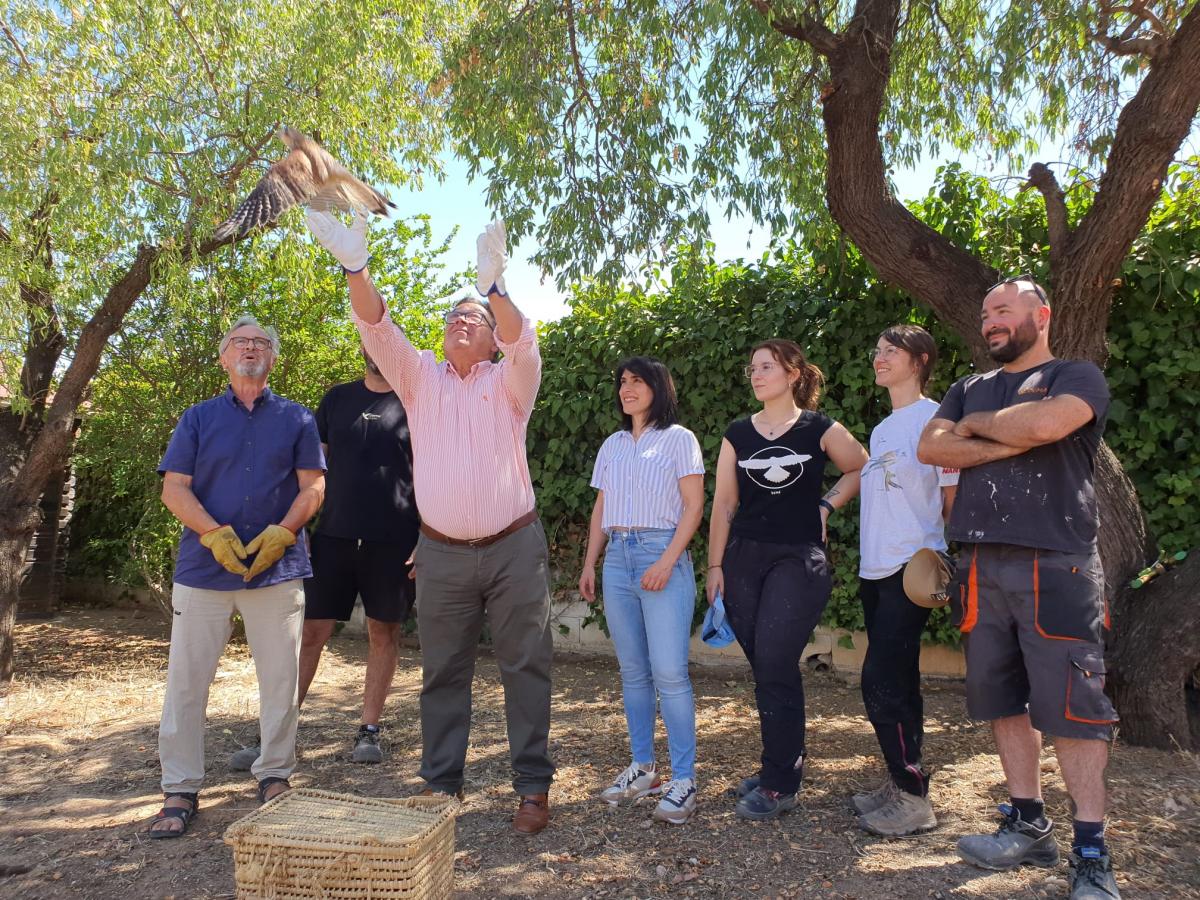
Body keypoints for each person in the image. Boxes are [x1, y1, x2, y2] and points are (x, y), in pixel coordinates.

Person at [306, 211, 556, 835]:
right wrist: (355, 266)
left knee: (525, 667)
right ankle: (442, 785)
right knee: (443, 670)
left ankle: (531, 787)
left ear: (491, 336)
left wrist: (495, 289)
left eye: (471, 318)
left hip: (513, 547)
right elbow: (376, 326)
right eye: (453, 316)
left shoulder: (512, 382)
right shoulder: (417, 379)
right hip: (441, 553)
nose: (457, 321)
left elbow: (524, 343)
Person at [917, 276, 1120, 900]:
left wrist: (978, 430)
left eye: (1003, 309)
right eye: (985, 314)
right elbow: (931, 445)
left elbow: (1048, 425)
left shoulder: (1077, 375)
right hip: (981, 564)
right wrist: (1013, 428)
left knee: (1073, 708)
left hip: (1056, 562)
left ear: (1042, 315)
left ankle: (1092, 851)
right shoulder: (968, 385)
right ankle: (1028, 822)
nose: (990, 322)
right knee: (1002, 700)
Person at [150, 316, 325, 838]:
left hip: (278, 569)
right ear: (224, 357)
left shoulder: (298, 419)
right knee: (187, 679)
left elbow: (313, 487)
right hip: (204, 569)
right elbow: (174, 489)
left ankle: (274, 775)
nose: (251, 349)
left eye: (261, 343)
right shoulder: (198, 418)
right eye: (240, 342)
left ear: (273, 358)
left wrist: (284, 532)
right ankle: (179, 788)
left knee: (280, 680)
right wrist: (211, 534)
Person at [229, 348, 419, 771]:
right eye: (371, 340)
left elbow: (430, 473)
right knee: (310, 633)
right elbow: (312, 472)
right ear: (364, 347)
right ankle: (275, 733)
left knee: (382, 632)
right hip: (331, 535)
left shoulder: (416, 401)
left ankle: (369, 730)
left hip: (394, 540)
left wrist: (425, 535)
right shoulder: (337, 399)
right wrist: (296, 527)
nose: (377, 348)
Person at [707, 339, 868, 821]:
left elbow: (860, 465)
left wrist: (827, 504)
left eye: (766, 367)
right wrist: (715, 566)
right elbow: (723, 504)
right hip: (743, 560)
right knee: (766, 669)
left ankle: (781, 782)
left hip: (798, 560)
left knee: (776, 660)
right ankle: (778, 761)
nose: (755, 375)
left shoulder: (819, 428)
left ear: (794, 373)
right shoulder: (738, 433)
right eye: (751, 366)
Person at [578, 357, 705, 824]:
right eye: (623, 382)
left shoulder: (679, 439)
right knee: (633, 672)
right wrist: (591, 561)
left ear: (659, 387)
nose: (627, 388)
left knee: (670, 674)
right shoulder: (612, 445)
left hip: (660, 552)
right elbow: (601, 507)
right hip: (617, 559)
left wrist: (667, 562)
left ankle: (684, 779)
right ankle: (643, 769)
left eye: (637, 381)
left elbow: (694, 506)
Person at [852, 324, 958, 837]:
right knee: (901, 682)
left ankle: (915, 799)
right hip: (875, 569)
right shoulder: (883, 428)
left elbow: (951, 495)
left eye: (889, 351)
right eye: (878, 350)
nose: (879, 358)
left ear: (919, 360)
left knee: (881, 682)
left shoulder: (935, 420)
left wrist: (944, 553)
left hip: (908, 569)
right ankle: (903, 782)